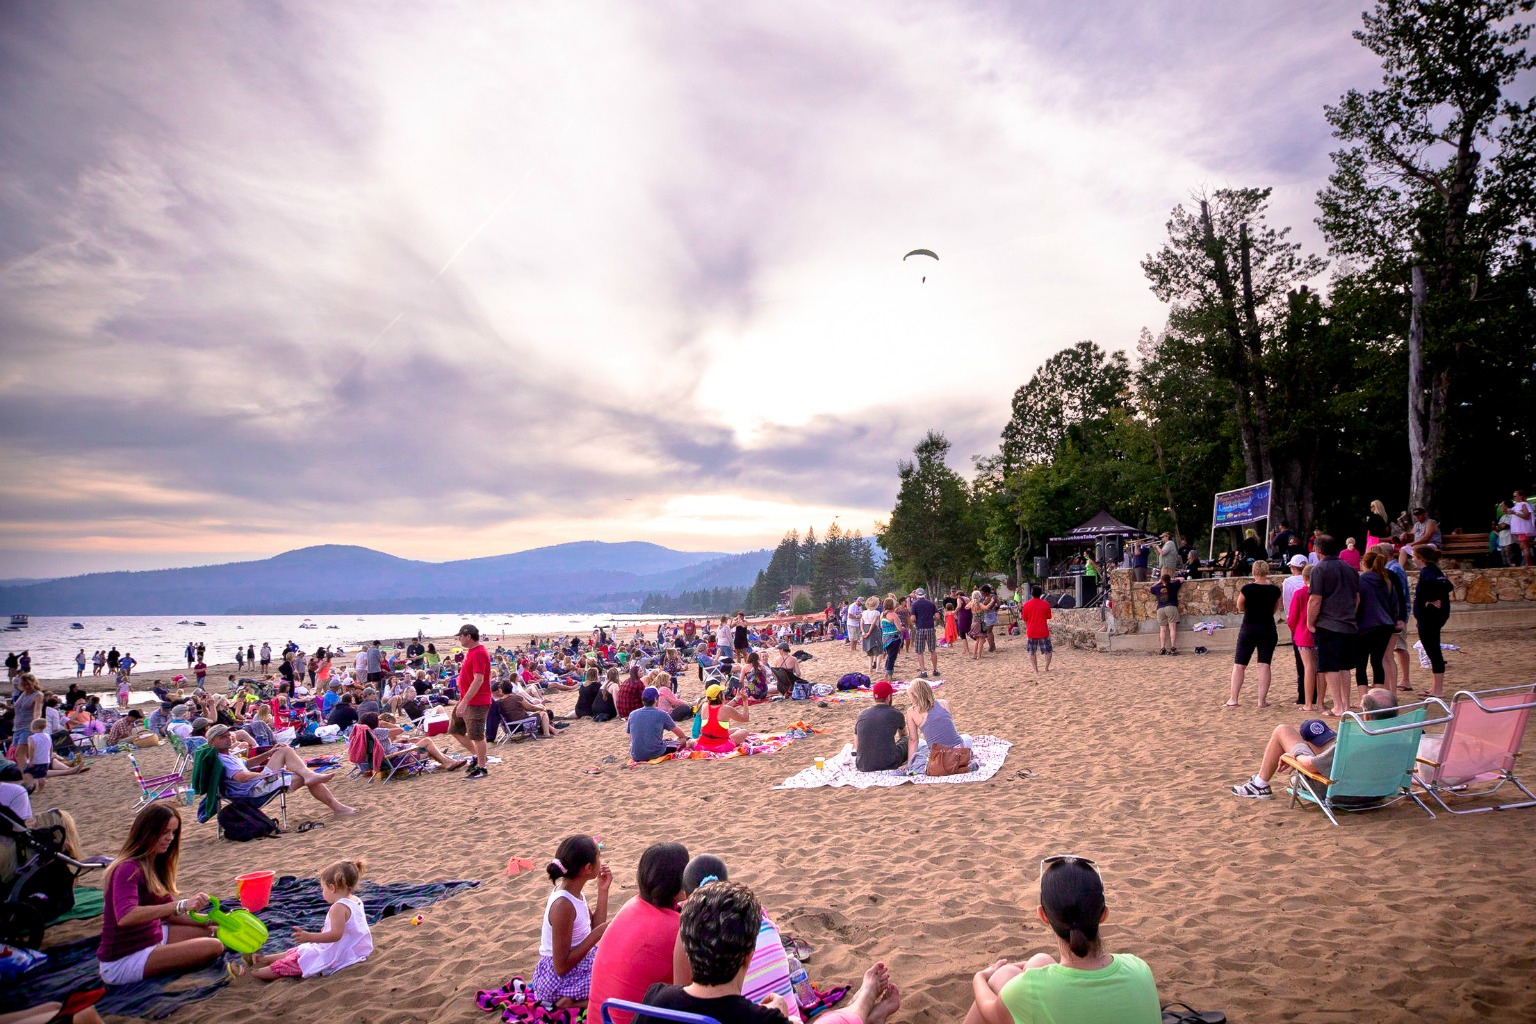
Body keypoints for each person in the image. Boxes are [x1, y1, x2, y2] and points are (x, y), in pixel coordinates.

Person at [641, 876, 899, 1024]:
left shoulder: (655, 1000)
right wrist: (784, 1017)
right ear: (748, 956)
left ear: (687, 947)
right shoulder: (762, 1021)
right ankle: (862, 1006)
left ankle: (864, 1012)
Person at [963, 856, 1158, 1024]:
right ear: (1104, 914)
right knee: (1040, 961)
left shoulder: (1027, 989)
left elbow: (989, 1011)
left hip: (1030, 991)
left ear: (1043, 915)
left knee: (1003, 974)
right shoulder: (1139, 967)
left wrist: (980, 977)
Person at [96, 803, 223, 985]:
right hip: (125, 959)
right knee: (214, 946)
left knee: (217, 932)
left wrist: (219, 918)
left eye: (173, 832)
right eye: (164, 832)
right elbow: (125, 915)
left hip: (153, 936)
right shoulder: (127, 869)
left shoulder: (155, 864)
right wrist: (182, 905)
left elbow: (170, 916)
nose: (170, 838)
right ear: (147, 832)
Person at [587, 842, 691, 1024]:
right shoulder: (676, 930)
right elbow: (696, 990)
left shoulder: (633, 905)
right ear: (678, 883)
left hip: (599, 1017)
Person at [1230, 687, 1399, 799]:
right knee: (1312, 729)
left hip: (1339, 793)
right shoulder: (1404, 735)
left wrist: (1295, 756)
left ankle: (1259, 785)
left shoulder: (1354, 741)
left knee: (1283, 730)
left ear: (1367, 716)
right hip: (1379, 792)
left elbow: (1311, 767)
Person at [242, 859, 373, 981]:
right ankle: (264, 959)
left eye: (323, 888)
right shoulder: (355, 900)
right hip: (352, 949)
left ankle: (254, 973)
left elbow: (336, 935)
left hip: (338, 955)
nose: (323, 892)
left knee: (298, 960)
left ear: (332, 888)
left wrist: (309, 936)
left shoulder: (338, 908)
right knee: (300, 950)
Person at [207, 724, 356, 816]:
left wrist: (269, 753)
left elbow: (245, 766)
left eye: (228, 735)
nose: (228, 739)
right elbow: (242, 777)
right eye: (223, 737)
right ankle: (337, 807)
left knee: (283, 749)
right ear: (212, 741)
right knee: (302, 777)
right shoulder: (221, 759)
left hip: (255, 783)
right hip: (252, 790)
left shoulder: (227, 754)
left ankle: (310, 776)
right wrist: (268, 775)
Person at [534, 835, 612, 1008]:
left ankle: (577, 1001)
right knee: (616, 984)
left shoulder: (574, 893)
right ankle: (572, 1004)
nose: (602, 860)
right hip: (558, 980)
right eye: (599, 855)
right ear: (588, 868)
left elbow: (593, 927)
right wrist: (599, 933)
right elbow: (561, 966)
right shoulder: (563, 905)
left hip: (577, 965)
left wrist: (603, 891)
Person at [1308, 534, 1361, 718]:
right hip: (1348, 623)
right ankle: (1345, 703)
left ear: (1318, 550)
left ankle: (1338, 705)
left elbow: (1315, 599)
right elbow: (1357, 597)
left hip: (1329, 624)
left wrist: (1310, 622)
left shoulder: (1319, 570)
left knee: (1330, 666)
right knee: (1345, 666)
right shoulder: (1350, 569)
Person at [1225, 560, 1281, 708]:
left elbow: (1240, 605)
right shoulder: (1274, 590)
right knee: (1264, 665)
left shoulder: (1247, 589)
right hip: (1267, 627)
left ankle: (1234, 698)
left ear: (1254, 572)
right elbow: (1275, 608)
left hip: (1249, 627)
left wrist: (1250, 610)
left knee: (1239, 665)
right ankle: (1261, 701)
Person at [449, 624, 492, 780]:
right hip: (466, 699)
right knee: (454, 729)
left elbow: (479, 679)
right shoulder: (471, 652)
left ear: (468, 636)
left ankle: (482, 767)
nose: (459, 638)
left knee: (477, 734)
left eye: (460, 636)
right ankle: (476, 756)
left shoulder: (479, 653)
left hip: (476, 701)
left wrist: (465, 701)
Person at [1355, 550, 1402, 690]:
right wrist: (1394, 620)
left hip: (1365, 625)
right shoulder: (1386, 581)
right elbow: (1395, 605)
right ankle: (1378, 694)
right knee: (1377, 661)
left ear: (1364, 563)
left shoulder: (1361, 580)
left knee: (1361, 663)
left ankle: (1363, 698)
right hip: (1385, 625)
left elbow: (1357, 602)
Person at [904, 678, 973, 773]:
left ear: (914, 696)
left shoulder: (912, 712)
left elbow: (913, 740)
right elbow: (947, 728)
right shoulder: (944, 703)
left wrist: (909, 764)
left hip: (938, 755)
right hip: (958, 751)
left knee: (920, 743)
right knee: (967, 737)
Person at [1412, 544, 1452, 697]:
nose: (1413, 559)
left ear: (1421, 559)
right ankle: (1435, 687)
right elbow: (1447, 585)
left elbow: (1443, 587)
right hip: (1432, 618)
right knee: (1432, 651)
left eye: (1414, 557)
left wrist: (1430, 599)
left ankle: (1438, 690)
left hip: (1429, 618)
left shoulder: (1428, 573)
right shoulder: (1434, 570)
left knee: (1433, 651)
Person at [853, 681, 906, 772]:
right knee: (907, 740)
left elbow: (856, 742)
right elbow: (903, 735)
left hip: (863, 765)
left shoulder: (862, 714)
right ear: (889, 697)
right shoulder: (896, 714)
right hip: (889, 763)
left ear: (874, 697)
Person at [628, 687, 692, 761]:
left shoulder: (632, 714)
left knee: (664, 741)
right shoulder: (662, 714)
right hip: (655, 753)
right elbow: (681, 735)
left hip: (636, 755)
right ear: (655, 699)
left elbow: (631, 738)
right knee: (683, 739)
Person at [1286, 565, 1318, 711]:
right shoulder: (1322, 593)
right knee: (1320, 669)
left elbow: (1292, 618)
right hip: (1319, 633)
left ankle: (1308, 702)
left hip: (1303, 634)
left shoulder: (1300, 593)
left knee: (1308, 668)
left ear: (1304, 578)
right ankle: (1321, 701)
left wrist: (1295, 630)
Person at [695, 685, 750, 754]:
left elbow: (720, 710)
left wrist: (736, 698)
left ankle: (720, 737)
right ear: (720, 696)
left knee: (737, 729)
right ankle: (722, 738)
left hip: (702, 745)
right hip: (721, 746)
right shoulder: (726, 710)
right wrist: (745, 701)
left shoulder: (704, 706)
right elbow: (745, 718)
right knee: (744, 731)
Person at [1148, 570, 1182, 656]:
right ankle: (1173, 647)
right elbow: (1182, 579)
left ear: (1162, 580)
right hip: (1171, 606)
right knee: (1172, 628)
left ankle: (1162, 648)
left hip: (1160, 609)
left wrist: (1158, 582)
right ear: (1169, 579)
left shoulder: (1158, 588)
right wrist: (1173, 579)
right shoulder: (1173, 585)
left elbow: (1150, 589)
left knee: (1162, 630)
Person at [1020, 586, 1053, 673]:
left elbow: (1024, 618)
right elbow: (1049, 616)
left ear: (1032, 593)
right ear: (1040, 593)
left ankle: (1035, 669)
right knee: (1048, 651)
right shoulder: (1045, 604)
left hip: (1031, 631)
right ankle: (1046, 668)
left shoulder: (1026, 605)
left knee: (1032, 652)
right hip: (1043, 631)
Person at [908, 588, 939, 678]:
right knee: (932, 650)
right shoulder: (931, 603)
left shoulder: (915, 605)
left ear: (917, 595)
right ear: (925, 595)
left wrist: (914, 620)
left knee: (920, 651)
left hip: (920, 628)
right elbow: (937, 616)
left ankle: (923, 671)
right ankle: (935, 670)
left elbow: (913, 618)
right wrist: (930, 618)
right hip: (930, 627)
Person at [878, 598, 903, 681]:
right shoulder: (893, 615)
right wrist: (904, 628)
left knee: (889, 656)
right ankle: (889, 676)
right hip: (894, 638)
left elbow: (882, 626)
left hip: (885, 638)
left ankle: (886, 673)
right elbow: (899, 628)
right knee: (892, 657)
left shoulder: (882, 614)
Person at [1510, 490, 1534, 566]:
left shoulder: (1523, 504)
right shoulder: (1518, 504)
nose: (1514, 498)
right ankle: (1528, 562)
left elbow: (1527, 516)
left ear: (1521, 496)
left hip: (1524, 529)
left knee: (1525, 546)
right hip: (1521, 530)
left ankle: (1528, 563)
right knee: (1523, 546)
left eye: (1515, 496)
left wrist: (1515, 513)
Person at [859, 597, 882, 673]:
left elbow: (861, 622)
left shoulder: (864, 612)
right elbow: (873, 623)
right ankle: (878, 668)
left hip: (865, 628)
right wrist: (869, 632)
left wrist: (863, 631)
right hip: (873, 630)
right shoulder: (876, 612)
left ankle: (870, 668)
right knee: (878, 651)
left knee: (869, 650)